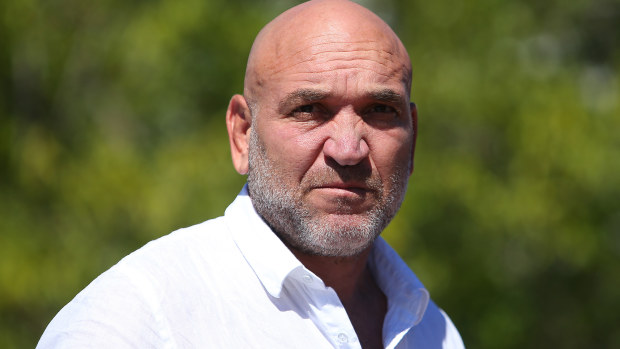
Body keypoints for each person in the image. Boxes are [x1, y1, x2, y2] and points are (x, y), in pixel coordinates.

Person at [37, 0, 464, 348]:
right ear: (243, 134)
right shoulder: (138, 321)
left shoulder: (434, 332)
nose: (348, 150)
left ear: (413, 138)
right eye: (309, 110)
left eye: (379, 111)